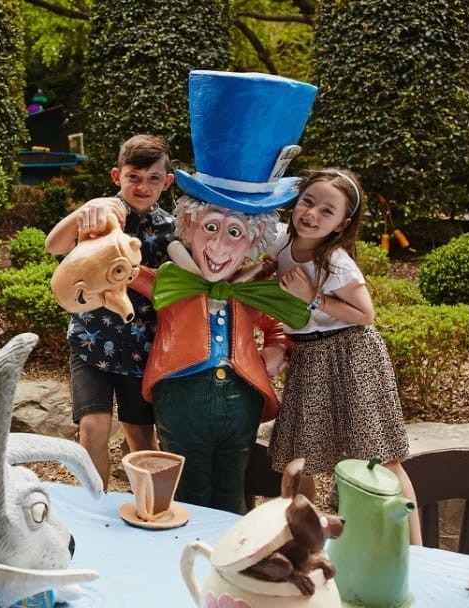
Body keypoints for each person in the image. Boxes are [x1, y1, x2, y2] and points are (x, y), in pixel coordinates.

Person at [133, 70, 318, 514]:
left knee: (232, 490)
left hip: (242, 401)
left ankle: (233, 550)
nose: (218, 247)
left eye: (234, 232)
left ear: (253, 240)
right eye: (211, 227)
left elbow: (278, 325)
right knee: (189, 492)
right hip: (180, 395)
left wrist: (276, 351)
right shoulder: (170, 281)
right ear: (188, 225)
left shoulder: (253, 290)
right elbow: (114, 275)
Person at [267, 168, 423, 544]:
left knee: (378, 455)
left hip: (352, 354)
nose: (312, 214)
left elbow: (365, 314)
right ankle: (302, 546)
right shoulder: (279, 240)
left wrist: (313, 298)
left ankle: (418, 551)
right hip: (309, 357)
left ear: (341, 224)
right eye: (307, 202)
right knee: (300, 456)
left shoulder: (335, 262)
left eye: (327, 211)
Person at [45, 134, 176, 489]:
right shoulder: (99, 214)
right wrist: (84, 210)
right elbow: (53, 245)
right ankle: (94, 508)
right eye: (134, 176)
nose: (143, 186)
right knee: (92, 429)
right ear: (117, 176)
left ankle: (151, 507)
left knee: (141, 434)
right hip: (91, 342)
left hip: (142, 350)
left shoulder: (170, 229)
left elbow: (176, 288)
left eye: (153, 178)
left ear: (167, 182)